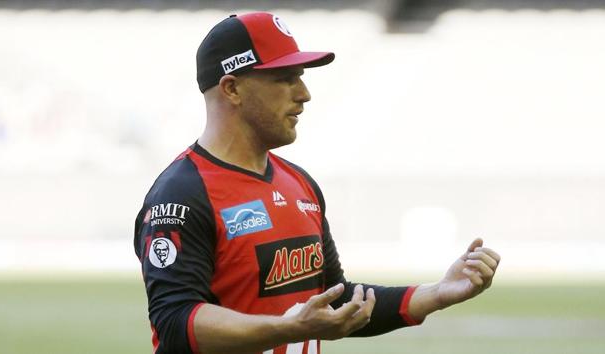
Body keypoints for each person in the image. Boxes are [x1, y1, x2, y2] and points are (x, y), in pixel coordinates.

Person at [133, 12, 501, 354]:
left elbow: (334, 298)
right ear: (231, 89)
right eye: (284, 78)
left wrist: (438, 292)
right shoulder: (182, 193)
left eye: (302, 77)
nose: (304, 94)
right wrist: (287, 328)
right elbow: (176, 323)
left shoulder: (299, 184)